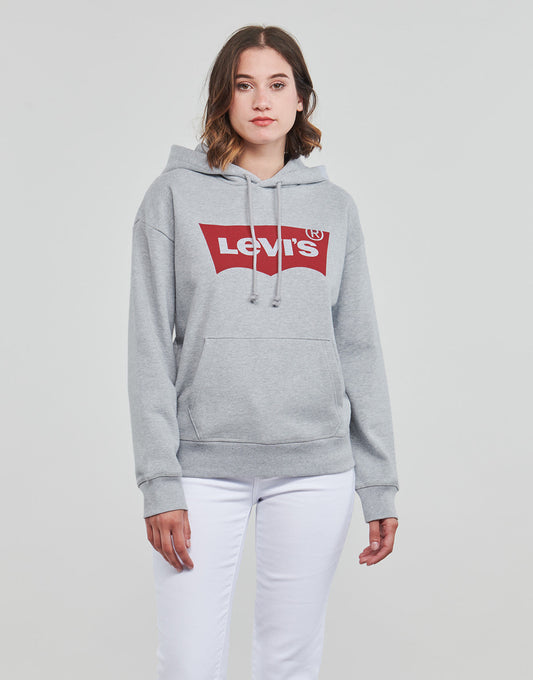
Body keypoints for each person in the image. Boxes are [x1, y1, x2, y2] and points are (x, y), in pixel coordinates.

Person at [127, 24, 400, 680]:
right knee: (188, 663)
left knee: (289, 662)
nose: (261, 100)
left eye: (277, 85)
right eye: (244, 85)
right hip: (202, 467)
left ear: (301, 98)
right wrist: (159, 482)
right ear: (223, 98)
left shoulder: (333, 208)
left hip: (314, 467)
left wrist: (378, 484)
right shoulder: (173, 197)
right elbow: (147, 343)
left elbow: (358, 345)